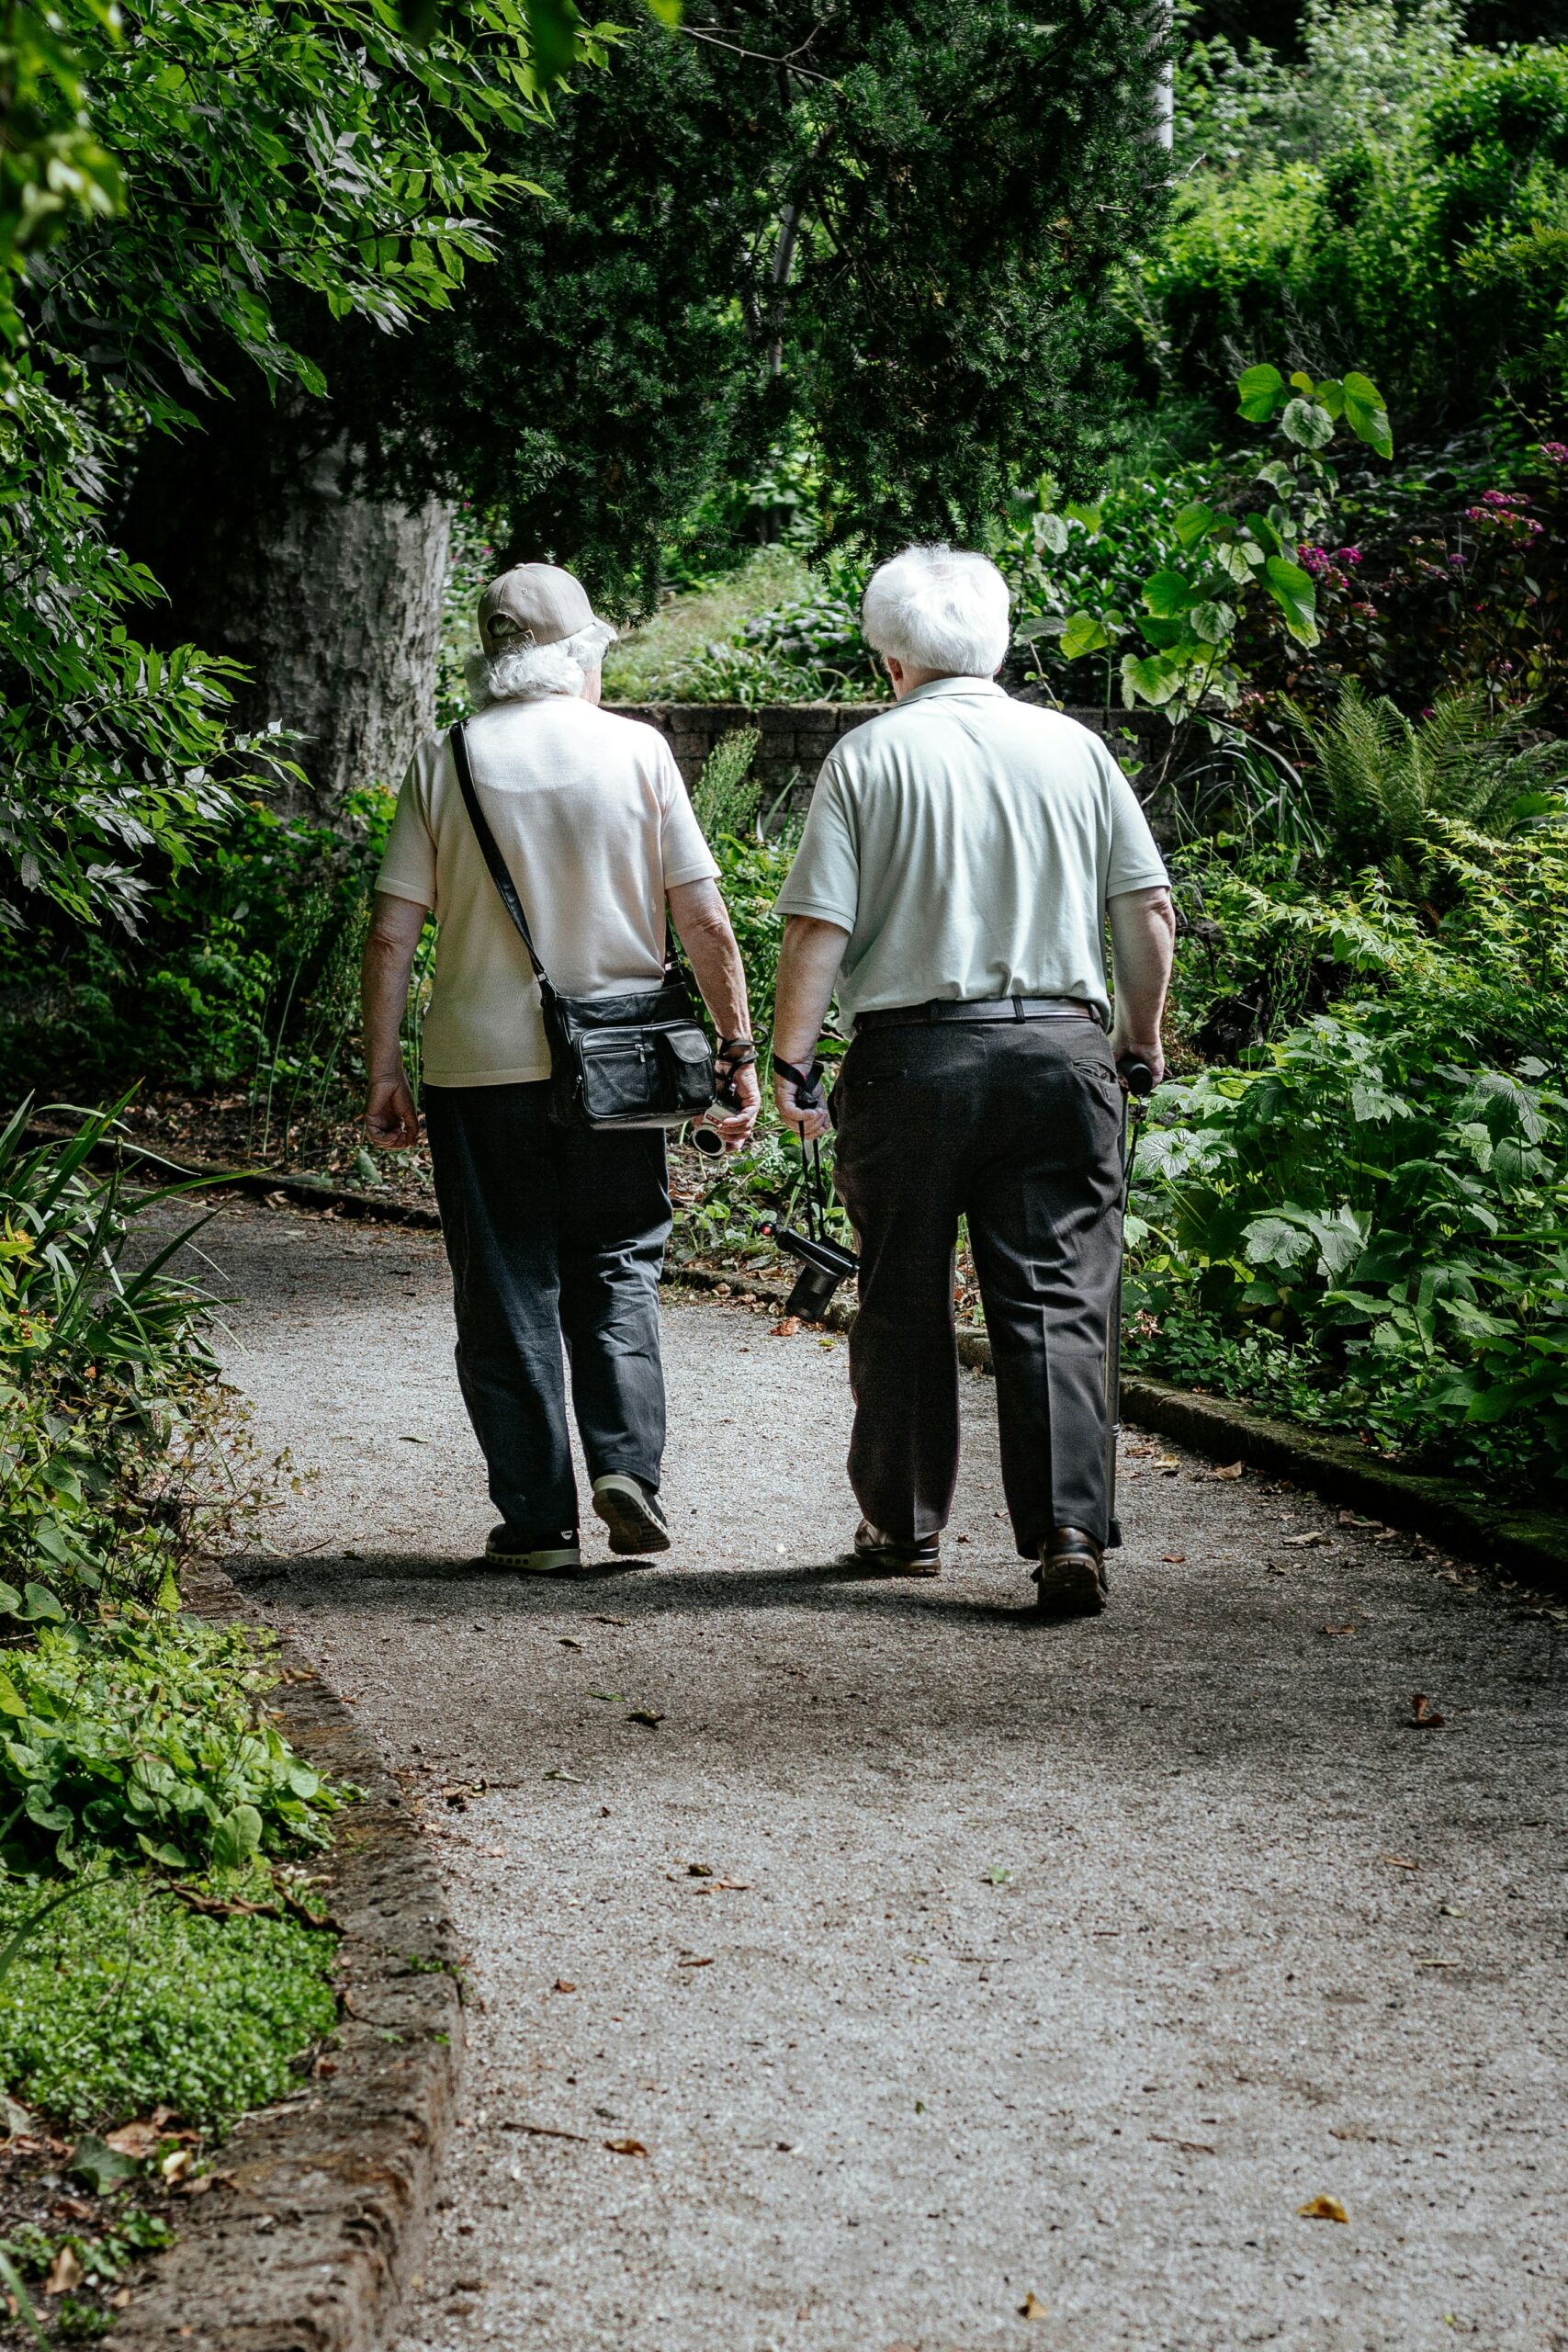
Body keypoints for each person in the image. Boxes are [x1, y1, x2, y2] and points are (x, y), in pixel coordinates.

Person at [771, 544, 1174, 1617]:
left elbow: (820, 928)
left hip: (912, 1060)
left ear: (890, 657)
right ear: (997, 643)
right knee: (1056, 1297)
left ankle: (903, 1526)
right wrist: (1140, 1037)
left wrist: (793, 1061)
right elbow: (1146, 911)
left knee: (900, 1287)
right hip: (1058, 1049)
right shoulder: (1075, 749)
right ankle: (1068, 1531)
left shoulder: (868, 757)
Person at [361, 560, 760, 1573]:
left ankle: (537, 1521)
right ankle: (627, 1467)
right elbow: (703, 917)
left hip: (476, 1069)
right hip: (621, 1065)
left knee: (503, 1284)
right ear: (580, 651)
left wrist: (382, 1070)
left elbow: (390, 935)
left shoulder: (443, 758)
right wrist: (738, 1050)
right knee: (619, 1260)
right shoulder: (638, 751)